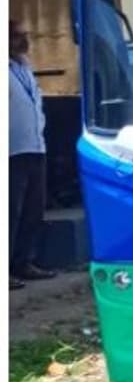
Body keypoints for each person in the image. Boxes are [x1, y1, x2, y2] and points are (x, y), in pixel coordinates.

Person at [10, 21, 57, 290]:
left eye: (24, 35)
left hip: (35, 146)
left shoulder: (24, 68)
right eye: (17, 36)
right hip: (11, 150)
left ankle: (23, 261)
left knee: (32, 210)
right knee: (10, 212)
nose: (23, 40)